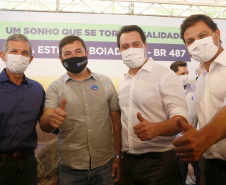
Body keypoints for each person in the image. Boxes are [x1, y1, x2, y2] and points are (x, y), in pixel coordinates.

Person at [39, 35, 122, 185]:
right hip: (71, 168)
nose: (74, 56)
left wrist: (118, 157)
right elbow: (46, 119)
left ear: (87, 53)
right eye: (68, 54)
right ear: (60, 58)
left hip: (105, 165)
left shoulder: (106, 82)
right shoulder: (55, 87)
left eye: (78, 51)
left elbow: (116, 121)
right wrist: (51, 119)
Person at [117, 25, 188, 185]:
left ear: (145, 46)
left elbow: (181, 119)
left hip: (161, 162)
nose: (131, 49)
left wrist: (157, 129)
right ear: (120, 50)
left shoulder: (165, 76)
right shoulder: (123, 81)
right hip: (129, 162)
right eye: (125, 46)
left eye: (136, 44)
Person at [173, 14, 226, 185]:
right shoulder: (201, 78)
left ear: (217, 33)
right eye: (190, 41)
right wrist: (203, 173)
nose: (197, 43)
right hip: (212, 167)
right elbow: (203, 123)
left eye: (202, 36)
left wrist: (204, 137)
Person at [0, 34, 45, 185]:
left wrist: (54, 118)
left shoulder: (37, 89)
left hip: (29, 164)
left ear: (30, 59)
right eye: (14, 52)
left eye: (25, 53)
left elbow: (45, 124)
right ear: (3, 56)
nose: (19, 56)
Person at [170, 61, 201, 185]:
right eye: (182, 73)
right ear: (173, 75)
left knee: (199, 172)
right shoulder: (168, 92)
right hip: (175, 141)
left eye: (187, 73)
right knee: (178, 174)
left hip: (195, 138)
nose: (186, 76)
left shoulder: (195, 89)